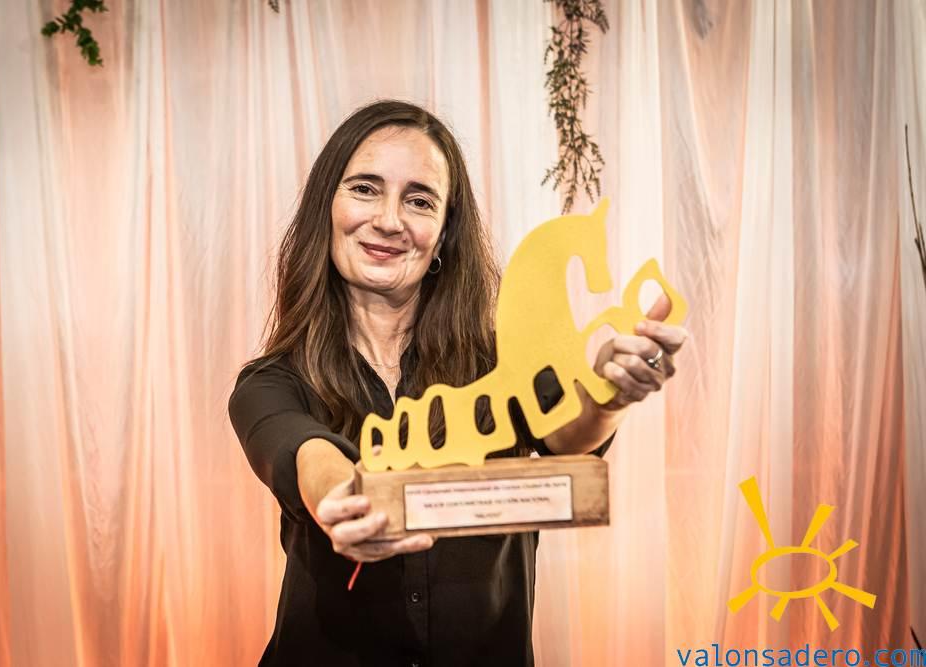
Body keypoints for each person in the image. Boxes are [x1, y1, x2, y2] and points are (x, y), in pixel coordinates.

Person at [228, 100, 687, 667]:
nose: (390, 220)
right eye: (365, 189)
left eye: (419, 200)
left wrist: (610, 396)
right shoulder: (271, 382)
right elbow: (303, 452)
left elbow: (568, 437)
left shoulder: (505, 362)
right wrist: (343, 499)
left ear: (444, 233)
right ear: (327, 207)